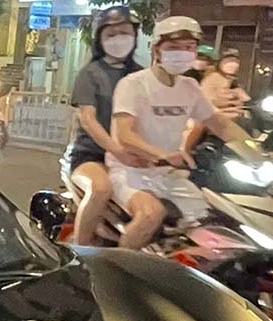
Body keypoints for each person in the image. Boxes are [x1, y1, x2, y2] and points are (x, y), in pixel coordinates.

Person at [109, 16, 263, 249]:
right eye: (173, 48)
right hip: (129, 171)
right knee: (150, 215)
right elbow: (124, 135)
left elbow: (219, 124)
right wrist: (161, 153)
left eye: (189, 48)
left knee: (210, 219)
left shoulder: (189, 87)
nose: (182, 53)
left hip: (167, 174)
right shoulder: (133, 84)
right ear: (157, 50)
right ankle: (113, 276)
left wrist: (256, 151)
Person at [67, 5, 145, 246]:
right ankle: (80, 253)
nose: (119, 39)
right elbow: (88, 120)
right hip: (93, 155)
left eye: (125, 32)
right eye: (111, 34)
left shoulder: (143, 75)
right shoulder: (90, 74)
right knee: (100, 189)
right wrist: (117, 151)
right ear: (100, 39)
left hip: (134, 158)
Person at [201, 48, 250, 118]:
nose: (232, 67)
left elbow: (244, 99)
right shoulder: (213, 78)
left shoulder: (232, 81)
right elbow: (206, 98)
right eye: (229, 63)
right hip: (215, 116)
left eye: (235, 64)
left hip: (231, 115)